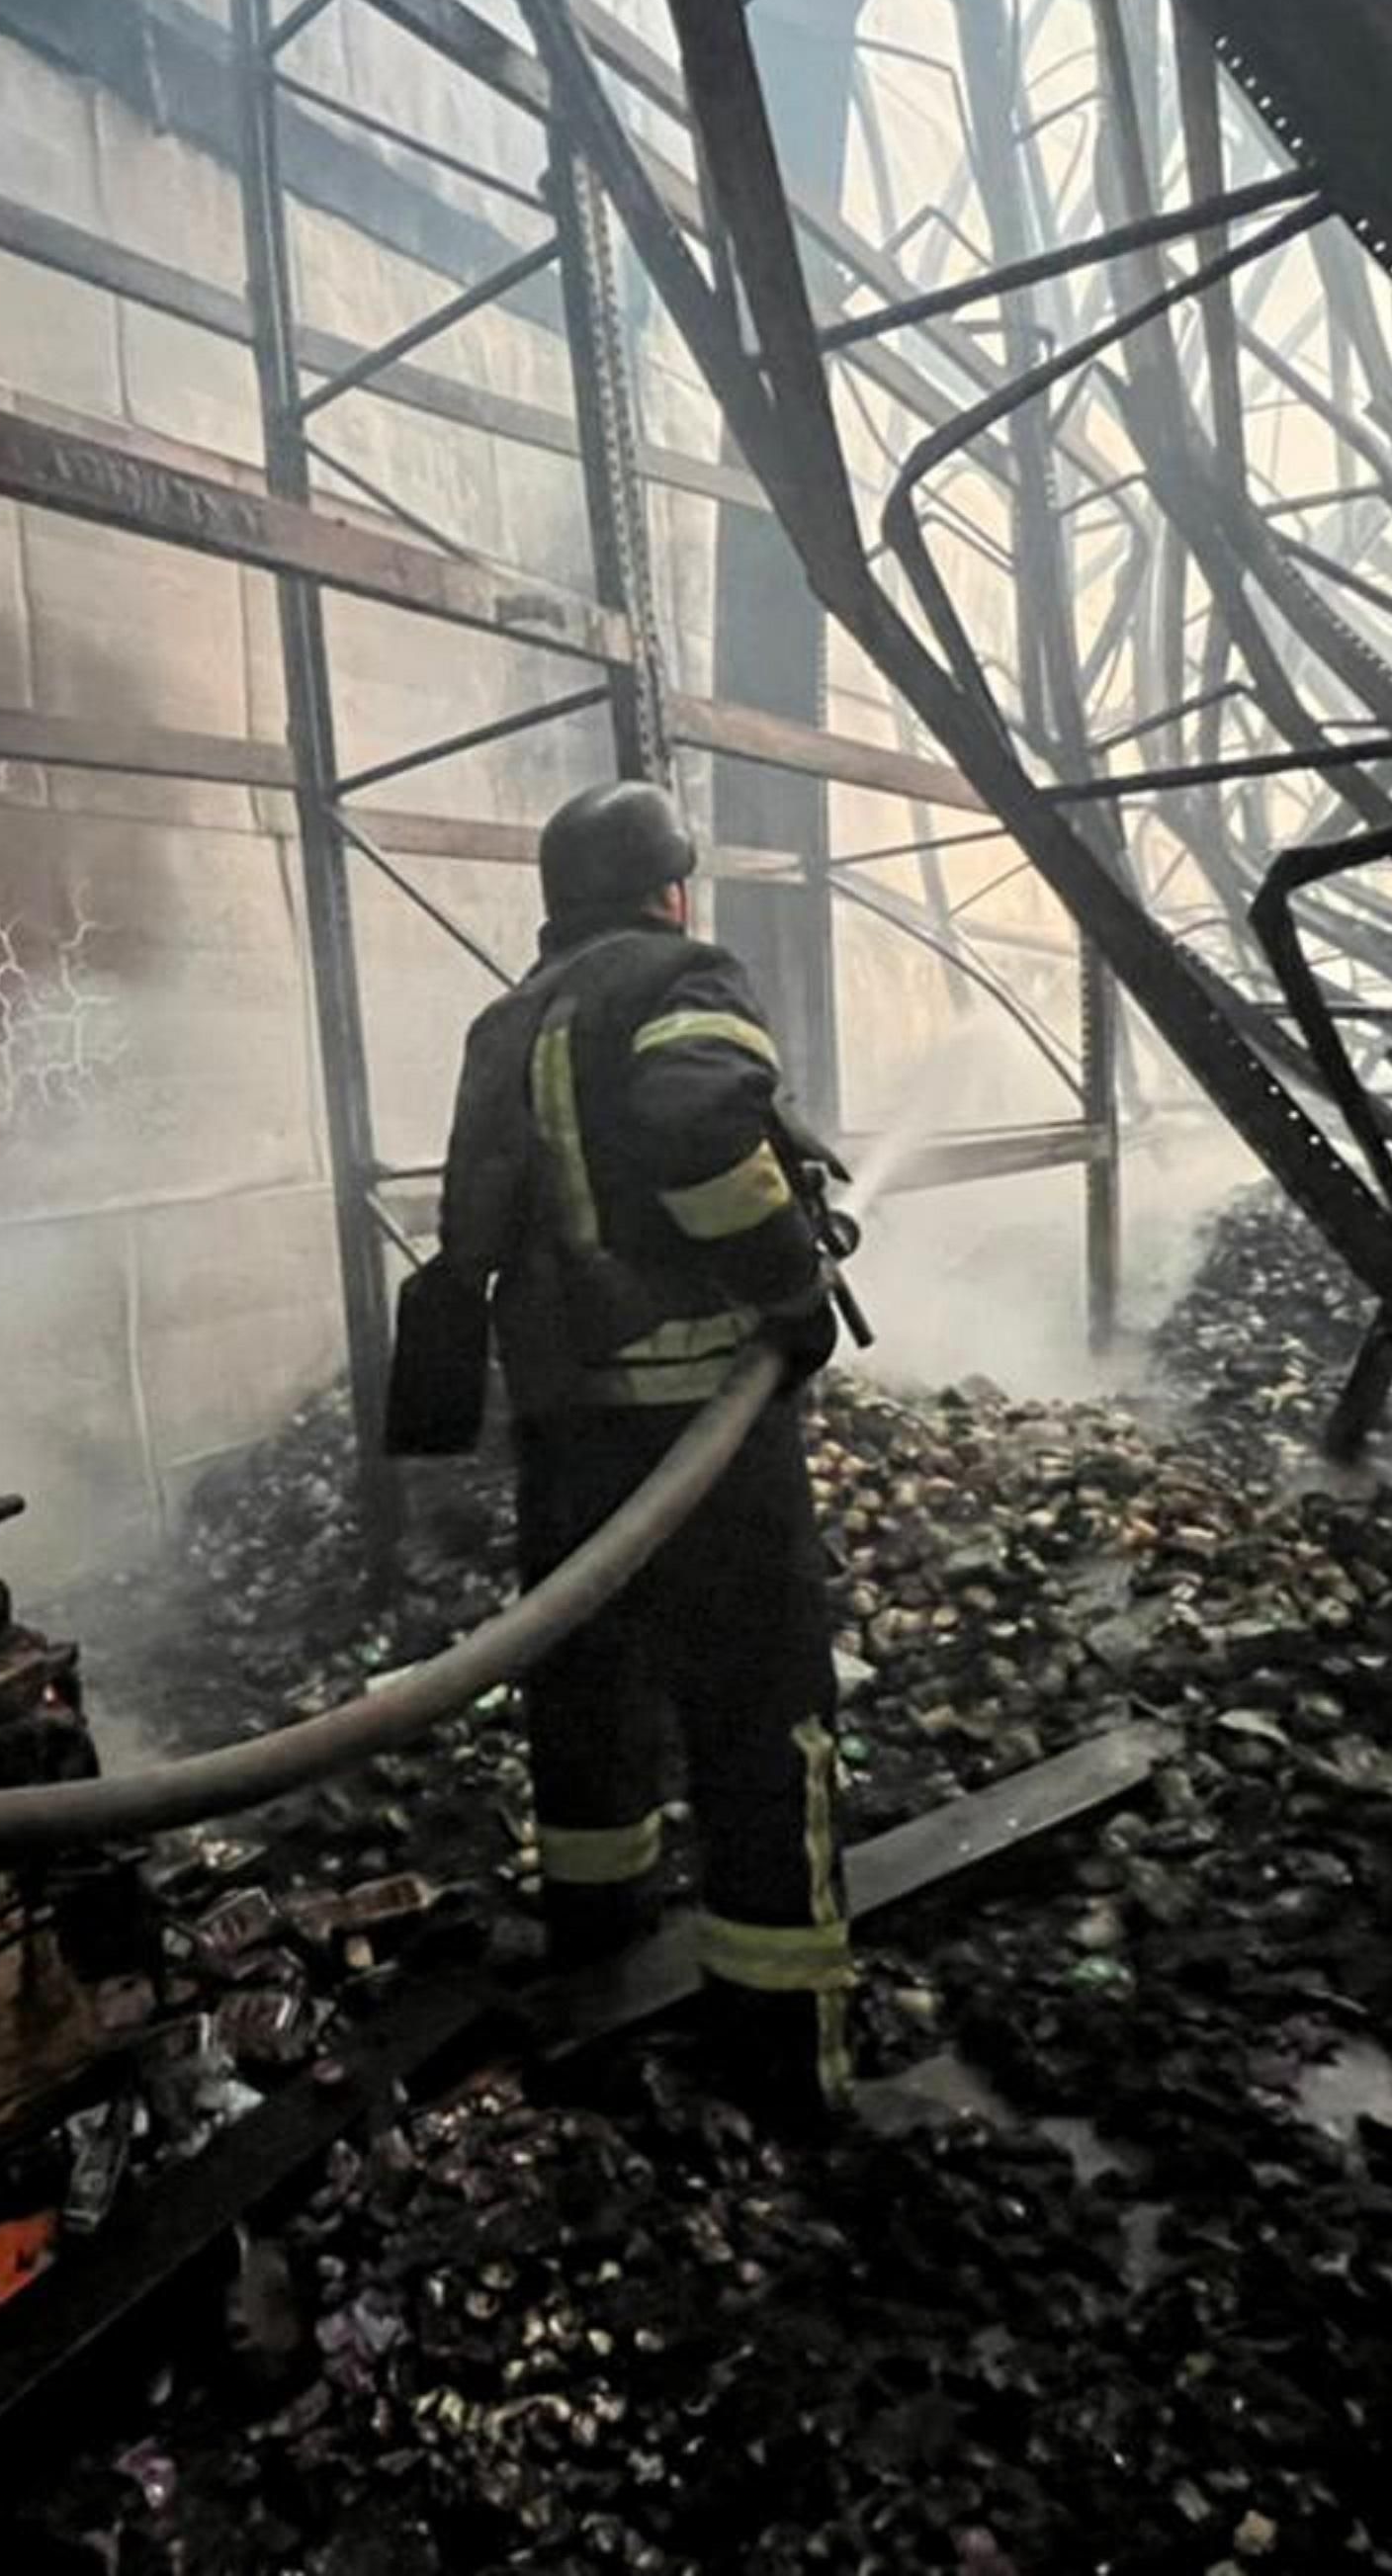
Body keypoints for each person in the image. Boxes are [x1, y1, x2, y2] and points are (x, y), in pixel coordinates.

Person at [433, 779, 854, 2125]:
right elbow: (696, 1126)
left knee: (589, 1710)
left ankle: (603, 1989)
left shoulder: (505, 1022)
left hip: (565, 1441)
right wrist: (790, 1286)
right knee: (758, 1719)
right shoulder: (681, 976)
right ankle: (783, 2056)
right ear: (671, 886)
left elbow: (472, 1224)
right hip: (703, 1443)